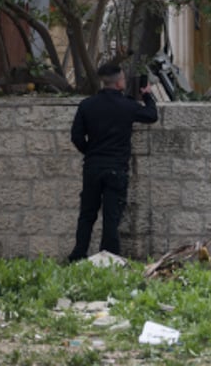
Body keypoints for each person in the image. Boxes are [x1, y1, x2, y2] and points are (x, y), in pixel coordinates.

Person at [67, 62, 159, 262]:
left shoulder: (87, 105)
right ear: (118, 83)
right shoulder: (127, 105)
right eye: (124, 79)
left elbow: (76, 137)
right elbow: (152, 116)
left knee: (87, 214)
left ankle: (78, 255)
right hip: (116, 169)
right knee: (111, 217)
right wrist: (147, 95)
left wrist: (90, 152)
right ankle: (108, 259)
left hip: (92, 168)